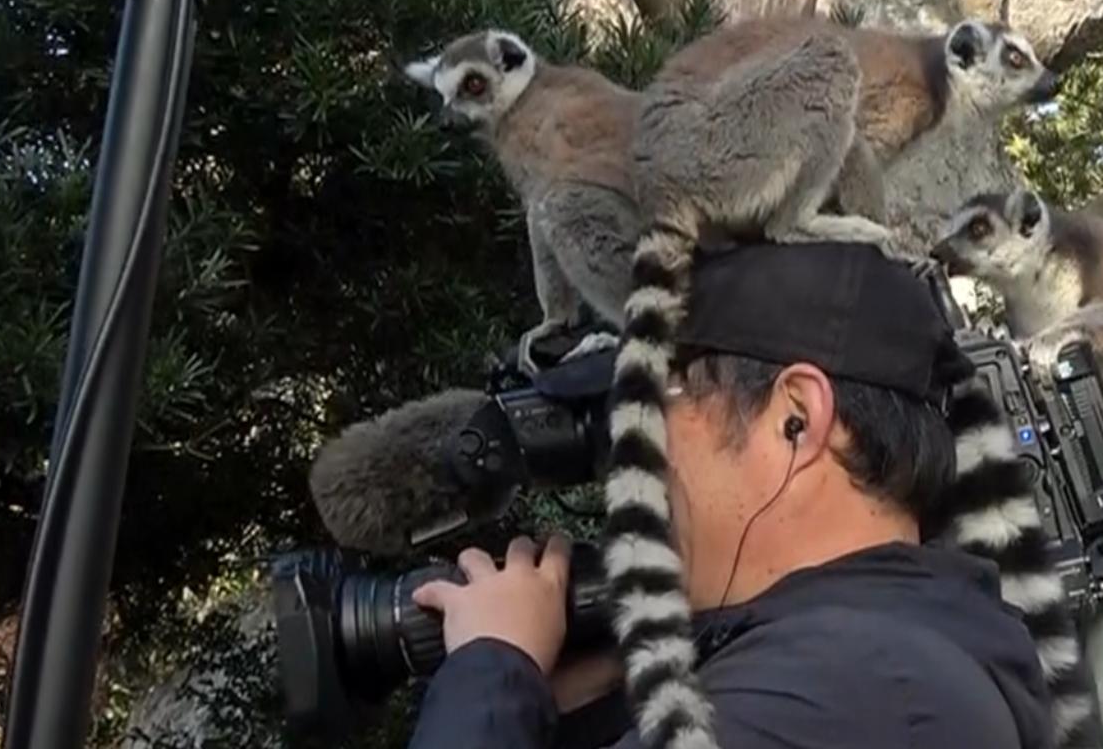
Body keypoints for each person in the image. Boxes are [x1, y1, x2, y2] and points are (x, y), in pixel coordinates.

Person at [404, 241, 1056, 749]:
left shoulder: (848, 690)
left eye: (661, 396)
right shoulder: (874, 668)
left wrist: (495, 669)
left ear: (795, 420)